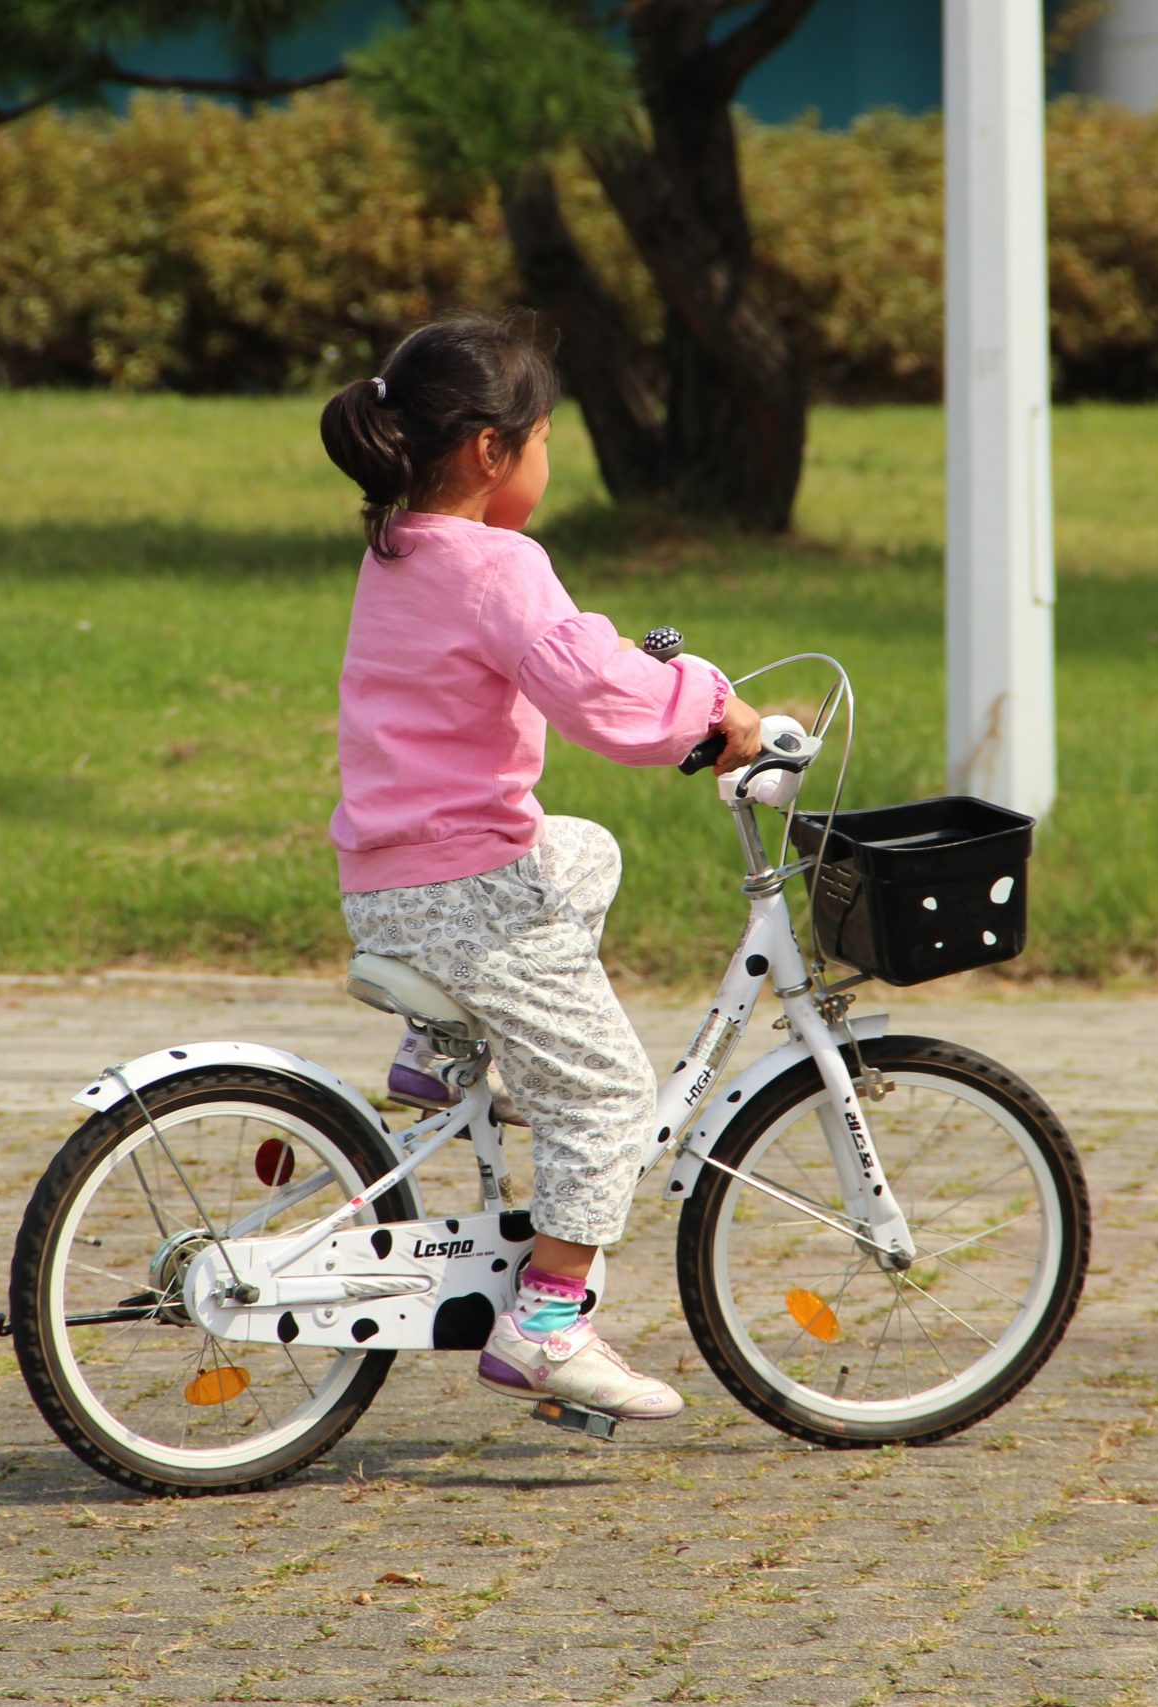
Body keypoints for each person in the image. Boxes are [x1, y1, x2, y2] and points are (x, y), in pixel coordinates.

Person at [319, 313, 763, 1422]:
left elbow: (574, 657)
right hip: (465, 895)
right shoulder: (499, 563)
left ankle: (443, 1047)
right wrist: (713, 709)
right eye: (546, 437)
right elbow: (601, 697)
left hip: (389, 882)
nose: (550, 458)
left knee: (581, 849)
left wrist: (659, 680)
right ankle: (549, 1321)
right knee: (610, 1094)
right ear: (488, 452)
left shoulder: (400, 546)